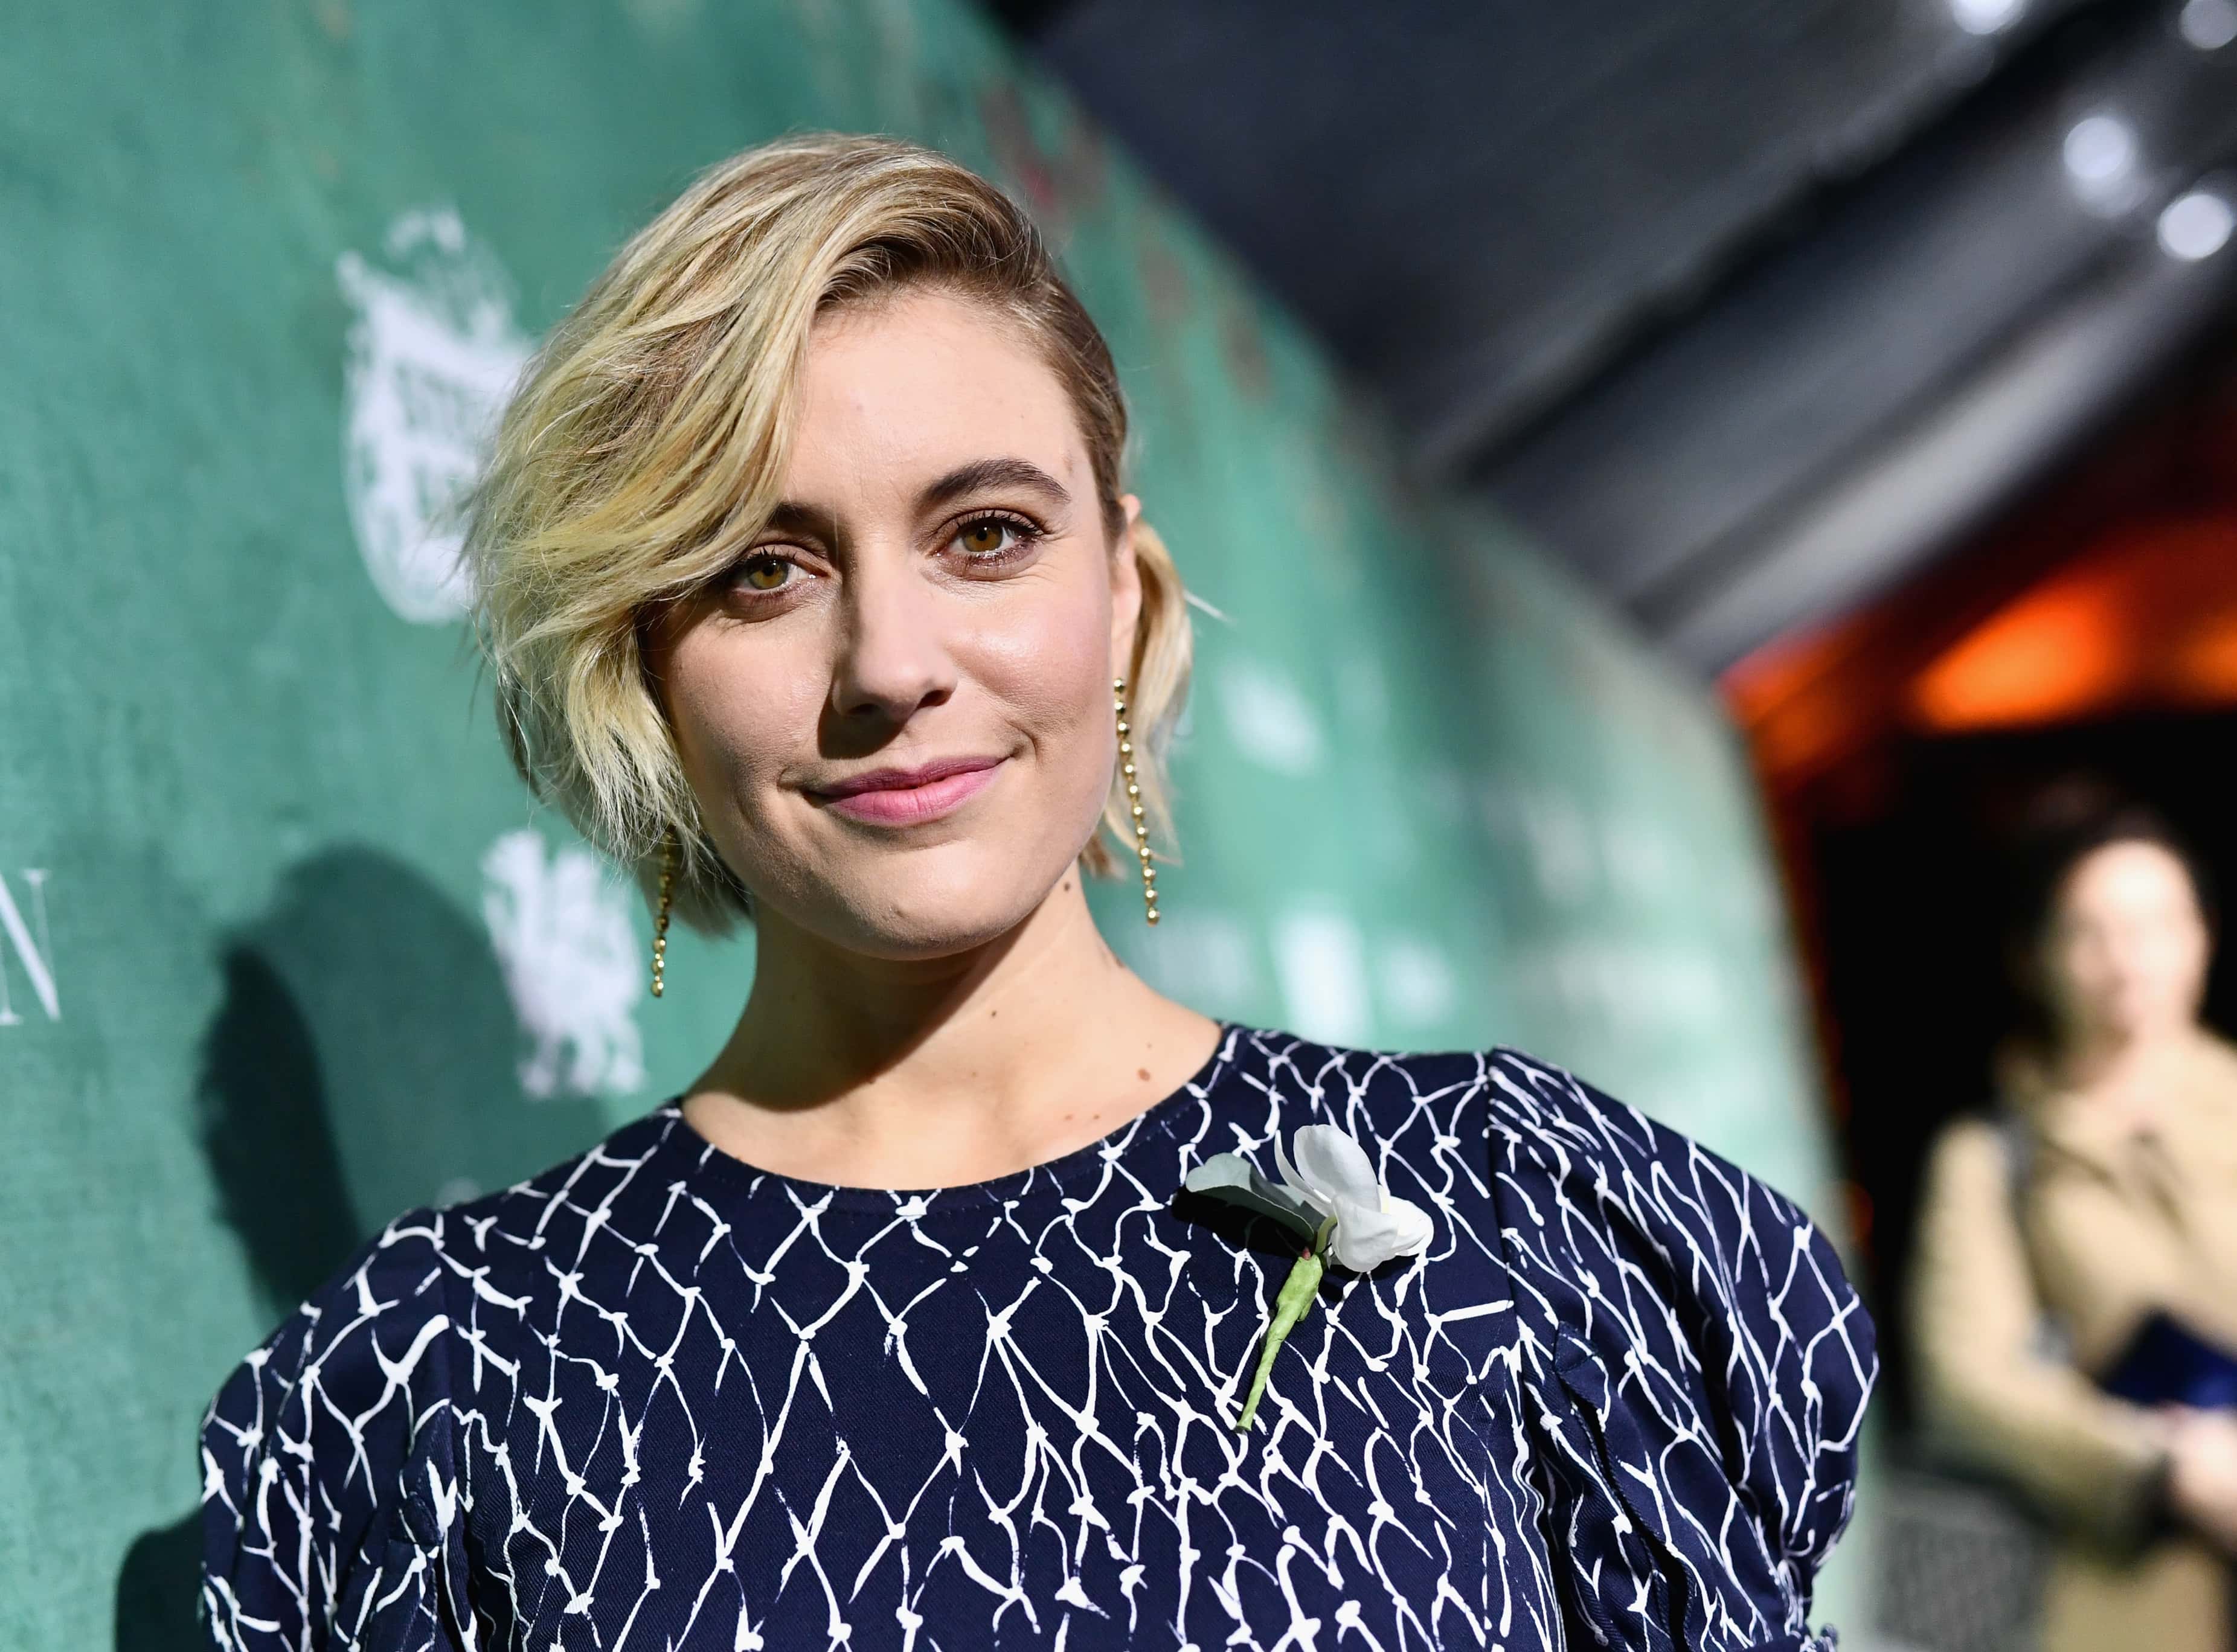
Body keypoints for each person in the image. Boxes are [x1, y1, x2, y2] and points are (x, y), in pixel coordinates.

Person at [196, 133, 1874, 1651]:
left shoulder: (1523, 1221)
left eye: (983, 535)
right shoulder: (456, 1384)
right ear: (642, 664)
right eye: (761, 572)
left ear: (1129, 601)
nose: (890, 663)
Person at [1911, 799, 2237, 1652]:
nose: (2129, 961)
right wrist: (2165, 1468)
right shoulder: (1992, 1154)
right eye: (2092, 931)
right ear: (2036, 958)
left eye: (2157, 924)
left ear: (2201, 936)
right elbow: (1970, 1381)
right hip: (2127, 1587)